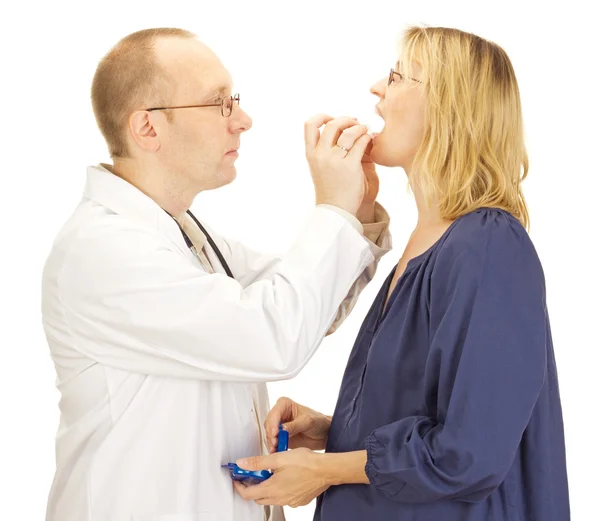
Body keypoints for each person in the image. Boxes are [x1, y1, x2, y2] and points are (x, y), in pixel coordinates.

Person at [41, 28, 392, 521]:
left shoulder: (181, 235)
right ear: (147, 128)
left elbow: (307, 305)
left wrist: (357, 208)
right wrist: (332, 209)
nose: (243, 121)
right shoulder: (102, 251)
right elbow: (275, 336)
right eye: (219, 104)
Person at [234, 26, 570, 521]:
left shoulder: (489, 244)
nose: (376, 90)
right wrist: (331, 432)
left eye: (396, 77)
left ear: (449, 107)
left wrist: (325, 470)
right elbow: (436, 420)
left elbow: (468, 453)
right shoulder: (428, 246)